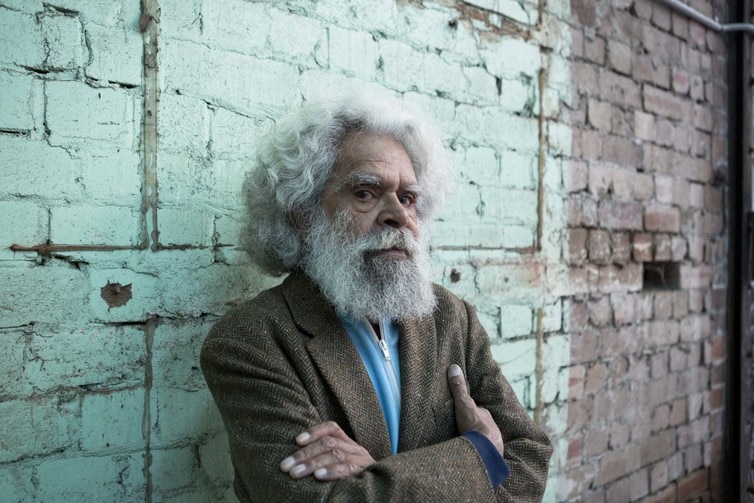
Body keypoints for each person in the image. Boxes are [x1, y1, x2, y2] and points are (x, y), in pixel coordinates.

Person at [200, 92, 553, 502]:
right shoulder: (250, 343)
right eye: (366, 193)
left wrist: (373, 476)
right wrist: (479, 455)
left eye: (408, 198)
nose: (399, 215)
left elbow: (530, 459)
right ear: (303, 216)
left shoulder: (453, 319)